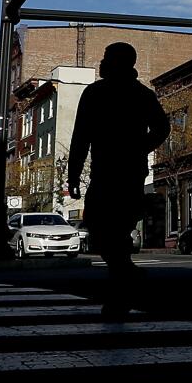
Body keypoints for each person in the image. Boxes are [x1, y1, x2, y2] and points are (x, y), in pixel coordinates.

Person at [68, 41, 169, 319]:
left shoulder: (110, 93)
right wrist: (73, 173)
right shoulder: (113, 93)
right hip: (117, 170)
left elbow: (162, 127)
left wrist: (137, 148)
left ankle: (120, 289)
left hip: (120, 171)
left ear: (118, 62)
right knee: (105, 230)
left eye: (107, 57)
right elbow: (81, 136)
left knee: (112, 230)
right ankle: (126, 274)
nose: (103, 62)